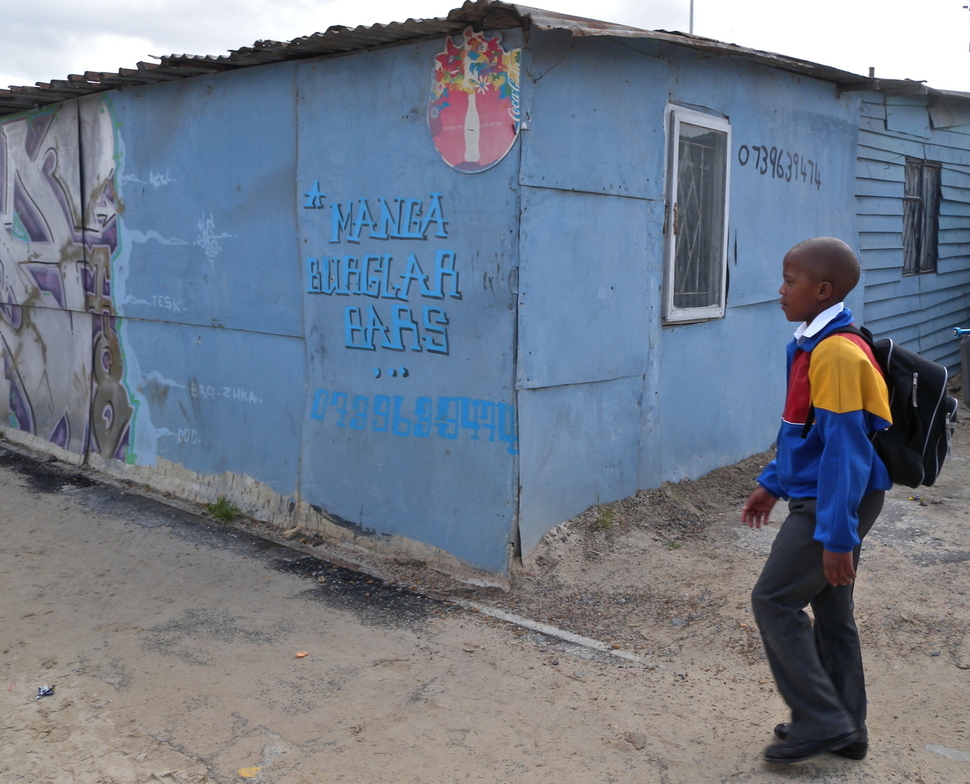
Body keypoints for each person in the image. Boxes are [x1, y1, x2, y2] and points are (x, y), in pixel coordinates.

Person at [740, 236, 892, 764]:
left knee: (774, 600)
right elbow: (803, 434)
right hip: (824, 492)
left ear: (822, 290)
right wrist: (772, 483)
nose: (780, 291)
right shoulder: (811, 344)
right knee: (831, 614)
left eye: (790, 281)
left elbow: (844, 457)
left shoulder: (837, 355)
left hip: (837, 499)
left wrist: (836, 536)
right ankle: (848, 729)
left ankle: (820, 721)